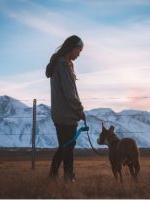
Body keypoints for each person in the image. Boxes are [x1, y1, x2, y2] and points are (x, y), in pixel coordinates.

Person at [45, 35, 86, 182]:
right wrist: (80, 110)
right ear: (72, 47)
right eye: (79, 50)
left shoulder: (59, 63)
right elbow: (70, 93)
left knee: (64, 146)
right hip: (67, 114)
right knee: (68, 147)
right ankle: (68, 177)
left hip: (58, 113)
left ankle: (53, 175)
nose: (79, 54)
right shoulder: (63, 65)